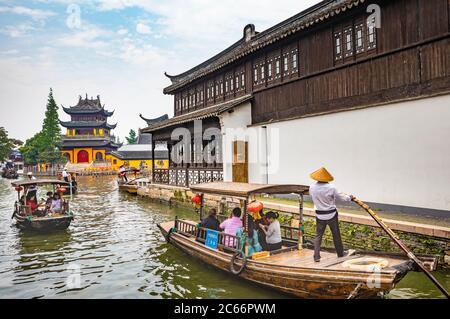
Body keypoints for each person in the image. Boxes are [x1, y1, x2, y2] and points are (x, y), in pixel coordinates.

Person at [309, 167, 353, 262]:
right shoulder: (331, 187)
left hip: (319, 214)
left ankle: (316, 256)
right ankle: (340, 253)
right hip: (331, 214)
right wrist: (350, 198)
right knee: (336, 234)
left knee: (318, 235)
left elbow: (312, 196)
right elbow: (342, 198)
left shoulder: (312, 187)